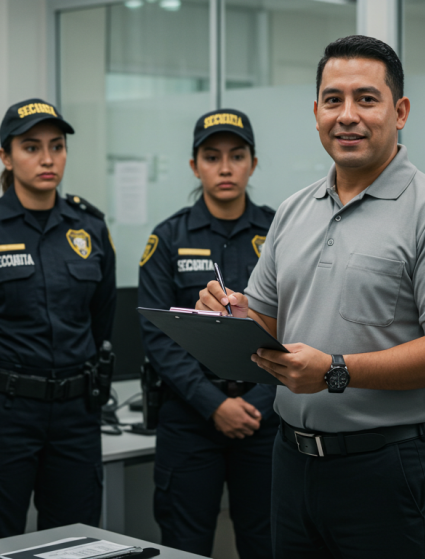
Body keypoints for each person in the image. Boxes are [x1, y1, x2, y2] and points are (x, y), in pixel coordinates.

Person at [198, 35, 425, 558]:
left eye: (366, 99)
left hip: (385, 469)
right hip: (291, 460)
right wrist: (230, 315)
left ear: (399, 112)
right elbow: (266, 325)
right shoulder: (292, 210)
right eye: (333, 100)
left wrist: (336, 369)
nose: (347, 115)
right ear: (316, 113)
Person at [0, 98, 117, 537]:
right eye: (31, 147)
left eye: (57, 146)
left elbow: (101, 317)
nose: (47, 158)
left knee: (77, 538)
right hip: (6, 410)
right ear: (6, 156)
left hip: (76, 411)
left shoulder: (91, 228)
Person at [138, 108, 276, 558]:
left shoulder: (279, 232)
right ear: (195, 165)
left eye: (236, 156)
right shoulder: (169, 238)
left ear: (253, 163)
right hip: (190, 419)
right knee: (185, 544)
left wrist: (255, 405)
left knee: (268, 541)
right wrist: (213, 404)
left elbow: (297, 322)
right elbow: (158, 334)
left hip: (264, 417)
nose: (225, 167)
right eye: (212, 156)